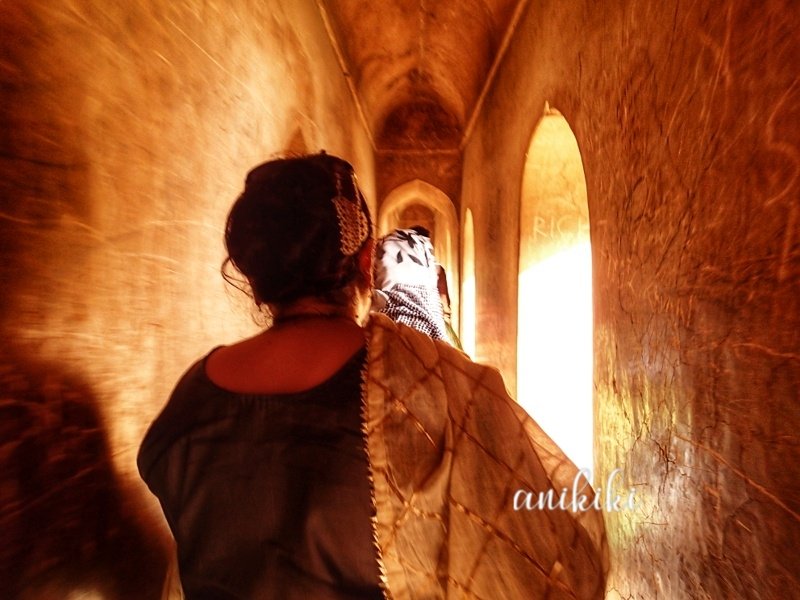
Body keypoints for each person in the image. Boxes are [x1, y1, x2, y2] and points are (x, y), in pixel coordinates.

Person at [137, 152, 607, 599]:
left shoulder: (191, 395)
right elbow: (553, 556)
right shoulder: (440, 384)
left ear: (256, 280)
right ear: (366, 264)